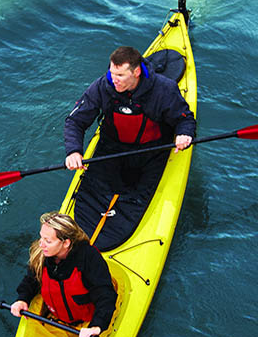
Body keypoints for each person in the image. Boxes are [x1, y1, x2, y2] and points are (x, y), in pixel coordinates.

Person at [61, 45, 195, 249]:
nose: (114, 80)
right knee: (97, 190)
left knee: (136, 197)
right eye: (112, 73)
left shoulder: (164, 89)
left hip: (151, 150)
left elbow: (185, 119)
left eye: (120, 75)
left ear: (137, 72)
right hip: (111, 149)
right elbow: (74, 121)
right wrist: (74, 151)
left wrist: (184, 134)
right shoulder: (102, 86)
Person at [11, 211, 116, 337]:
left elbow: (105, 295)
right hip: (56, 318)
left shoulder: (89, 259)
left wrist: (96, 326)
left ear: (66, 243)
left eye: (48, 241)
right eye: (41, 238)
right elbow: (31, 280)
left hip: (88, 323)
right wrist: (22, 299)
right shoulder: (41, 255)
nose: (41, 244)